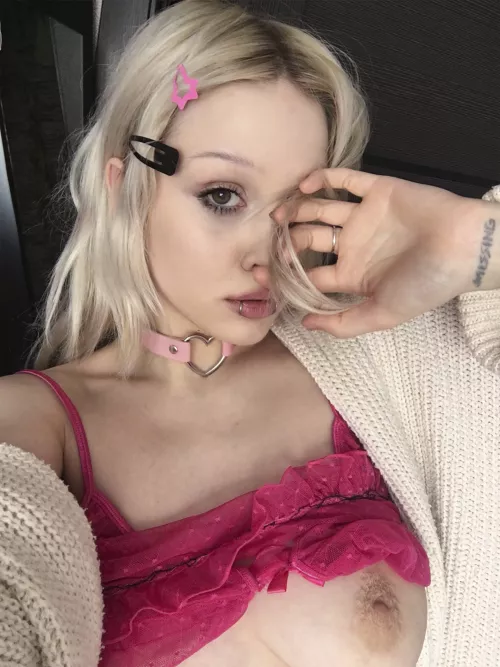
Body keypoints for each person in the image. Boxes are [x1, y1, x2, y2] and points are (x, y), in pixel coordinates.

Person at [0, 0, 499, 665]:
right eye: (222, 195)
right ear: (123, 189)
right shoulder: (38, 423)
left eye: (298, 207)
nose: (267, 254)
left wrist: (473, 242)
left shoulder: (377, 344)